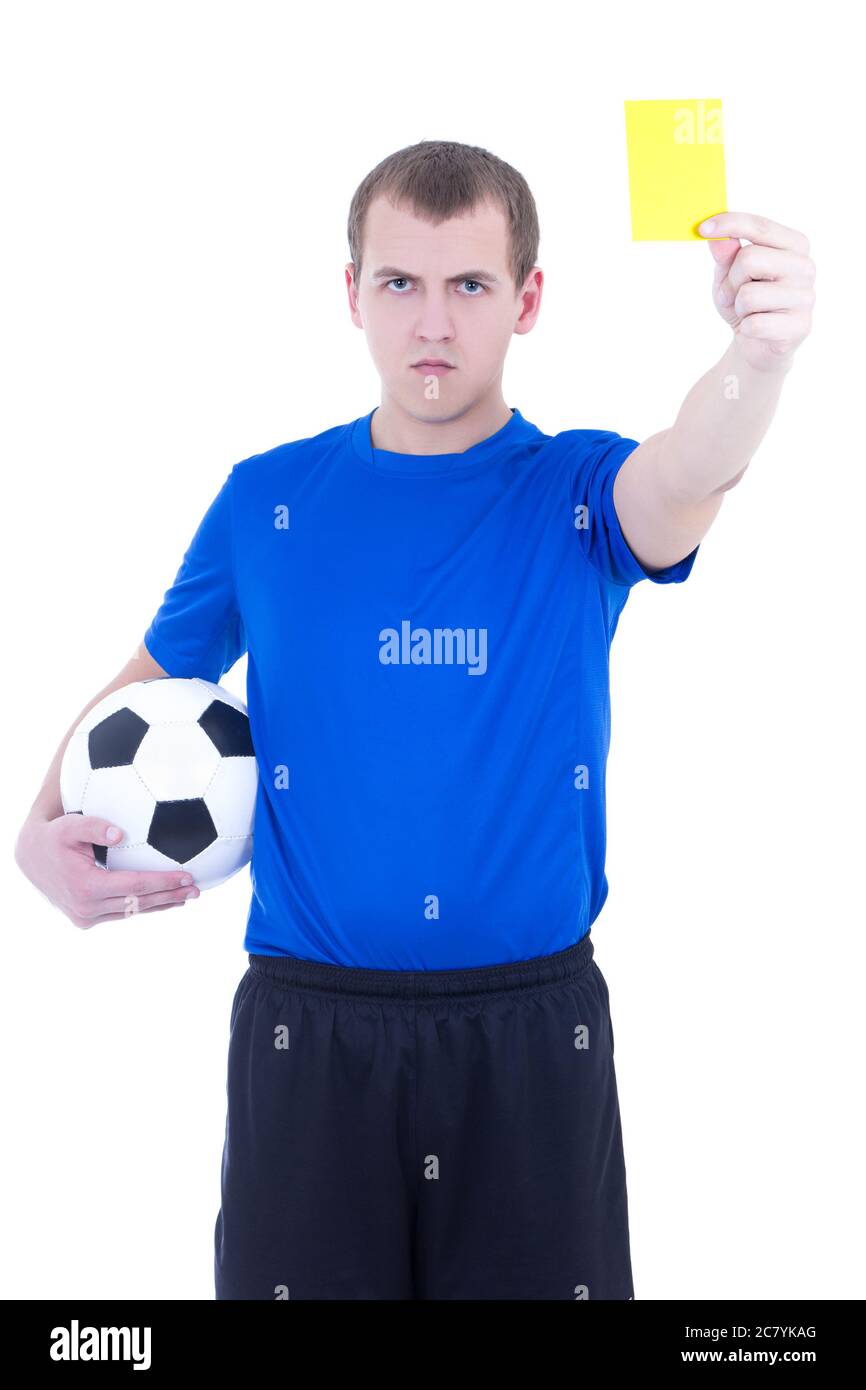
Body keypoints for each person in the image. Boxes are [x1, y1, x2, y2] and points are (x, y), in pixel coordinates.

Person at [14, 139, 815, 1300]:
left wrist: (757, 356)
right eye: (399, 283)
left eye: (469, 285)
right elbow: (143, 690)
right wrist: (35, 834)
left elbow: (686, 471)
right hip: (308, 1034)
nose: (430, 322)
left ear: (525, 299)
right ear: (351, 293)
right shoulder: (266, 500)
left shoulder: (577, 492)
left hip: (530, 1035)